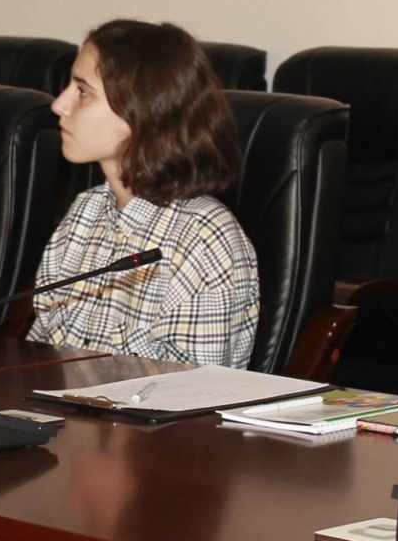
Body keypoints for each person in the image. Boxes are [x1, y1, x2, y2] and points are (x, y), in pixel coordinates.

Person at [27, 19, 258, 367]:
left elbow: (195, 392)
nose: (59, 104)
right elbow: (39, 356)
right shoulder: (85, 212)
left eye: (83, 92)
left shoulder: (203, 237)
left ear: (141, 110)